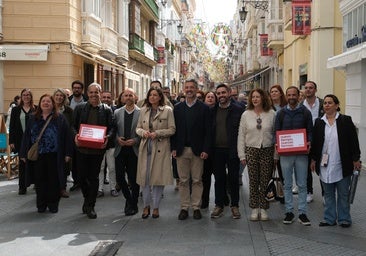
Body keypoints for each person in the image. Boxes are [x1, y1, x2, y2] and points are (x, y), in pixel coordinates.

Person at [310, 94, 361, 228]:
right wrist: (313, 160)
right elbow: (315, 143)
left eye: (330, 103)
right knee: (328, 194)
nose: (326, 105)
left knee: (343, 193)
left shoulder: (345, 120)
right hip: (325, 164)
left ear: (337, 105)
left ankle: (344, 219)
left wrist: (356, 159)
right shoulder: (319, 122)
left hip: (342, 163)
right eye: (325, 103)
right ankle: (329, 218)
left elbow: (353, 141)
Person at [19, 94, 73, 213]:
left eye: (48, 101)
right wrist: (23, 154)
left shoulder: (60, 118)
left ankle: (53, 204)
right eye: (43, 101)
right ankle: (41, 204)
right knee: (39, 181)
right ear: (40, 104)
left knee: (54, 181)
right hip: (38, 156)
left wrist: (68, 153)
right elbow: (26, 136)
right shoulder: (33, 118)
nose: (46, 103)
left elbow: (67, 137)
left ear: (53, 104)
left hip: (54, 155)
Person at [171, 78, 211, 220]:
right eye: (187, 87)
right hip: (181, 150)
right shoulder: (178, 108)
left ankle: (196, 207)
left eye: (192, 87)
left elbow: (208, 131)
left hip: (198, 151)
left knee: (197, 180)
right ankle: (184, 207)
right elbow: (174, 130)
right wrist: (174, 148)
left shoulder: (204, 108)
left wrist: (206, 149)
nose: (189, 90)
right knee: (182, 180)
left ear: (196, 89)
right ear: (183, 89)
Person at [73, 83, 114, 219]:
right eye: (91, 93)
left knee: (94, 177)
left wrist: (107, 137)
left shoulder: (107, 110)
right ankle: (87, 198)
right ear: (87, 93)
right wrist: (76, 136)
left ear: (100, 93)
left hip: (97, 150)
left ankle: (91, 205)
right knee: (81, 177)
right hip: (82, 148)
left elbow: (112, 128)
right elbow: (73, 127)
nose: (93, 95)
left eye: (96, 92)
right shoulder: (80, 108)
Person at [275, 86, 313, 226]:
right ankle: (289, 212)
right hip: (285, 154)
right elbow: (276, 131)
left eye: (294, 95)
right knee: (287, 184)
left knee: (302, 184)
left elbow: (310, 130)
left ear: (298, 96)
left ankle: (303, 213)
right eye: (289, 95)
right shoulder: (281, 114)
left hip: (302, 153)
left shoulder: (305, 112)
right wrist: (276, 143)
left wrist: (309, 141)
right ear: (286, 96)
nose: (291, 97)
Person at [136, 87, 175, 219]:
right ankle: (146, 205)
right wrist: (143, 133)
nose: (152, 97)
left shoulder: (168, 110)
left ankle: (156, 207)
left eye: (155, 95)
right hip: (146, 146)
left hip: (160, 147)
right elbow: (138, 128)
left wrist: (157, 133)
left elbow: (172, 129)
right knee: (144, 178)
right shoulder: (143, 110)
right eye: (150, 95)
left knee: (157, 179)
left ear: (160, 97)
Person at [238, 88, 277, 221]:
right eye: (253, 97)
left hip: (267, 149)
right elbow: (241, 135)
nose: (255, 99)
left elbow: (276, 135)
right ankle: (255, 208)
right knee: (253, 180)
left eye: (258, 97)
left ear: (263, 98)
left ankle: (264, 208)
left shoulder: (272, 114)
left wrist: (276, 155)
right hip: (251, 149)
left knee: (265, 180)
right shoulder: (246, 114)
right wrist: (241, 155)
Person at [210, 84, 243, 219]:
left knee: (234, 179)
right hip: (217, 150)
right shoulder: (212, 111)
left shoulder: (238, 110)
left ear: (229, 93)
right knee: (219, 179)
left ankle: (235, 206)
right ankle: (219, 205)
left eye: (223, 92)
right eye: (218, 93)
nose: (221, 95)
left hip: (233, 150)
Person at [114, 88, 141, 216]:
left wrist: (135, 140)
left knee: (134, 178)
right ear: (122, 98)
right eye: (126, 95)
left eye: (131, 95)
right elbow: (112, 130)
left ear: (135, 97)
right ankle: (129, 199)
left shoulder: (141, 113)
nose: (128, 97)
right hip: (120, 149)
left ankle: (133, 204)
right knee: (119, 177)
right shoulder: (117, 112)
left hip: (134, 150)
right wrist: (117, 139)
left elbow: (144, 130)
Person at [9, 89, 37, 195]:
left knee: (34, 161)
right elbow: (12, 126)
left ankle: (36, 183)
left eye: (28, 95)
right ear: (21, 96)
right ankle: (22, 186)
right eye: (24, 95)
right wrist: (11, 141)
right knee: (22, 163)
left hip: (33, 141)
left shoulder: (36, 108)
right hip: (20, 140)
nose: (26, 96)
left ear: (31, 96)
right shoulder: (16, 110)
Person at [302, 81, 324, 203]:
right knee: (306, 168)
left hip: (321, 140)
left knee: (322, 167)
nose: (308, 90)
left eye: (311, 88)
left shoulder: (322, 103)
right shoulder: (301, 105)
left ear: (315, 90)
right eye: (306, 88)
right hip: (306, 141)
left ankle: (325, 193)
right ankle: (309, 192)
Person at [97, 91, 118, 198]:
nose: (106, 99)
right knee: (100, 168)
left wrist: (108, 137)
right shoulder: (96, 109)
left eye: (108, 97)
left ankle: (113, 188)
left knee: (112, 167)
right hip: (98, 144)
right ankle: (99, 189)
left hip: (111, 144)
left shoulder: (115, 110)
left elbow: (114, 127)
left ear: (112, 98)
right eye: (104, 97)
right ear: (100, 97)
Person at [53, 88, 74, 199]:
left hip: (65, 141)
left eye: (61, 95)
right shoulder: (48, 109)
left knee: (64, 166)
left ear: (64, 97)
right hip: (51, 142)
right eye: (57, 95)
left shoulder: (69, 111)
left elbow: (72, 126)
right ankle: (52, 188)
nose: (59, 97)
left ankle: (63, 188)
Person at [68, 80, 88, 192]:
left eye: (79, 88)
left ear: (82, 89)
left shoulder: (86, 100)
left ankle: (84, 180)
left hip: (85, 133)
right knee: (74, 159)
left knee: (83, 158)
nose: (76, 89)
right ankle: (76, 182)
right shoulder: (68, 100)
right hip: (72, 132)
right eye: (74, 87)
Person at [201, 91, 218, 209]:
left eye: (212, 97)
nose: (210, 99)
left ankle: (221, 200)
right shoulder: (201, 111)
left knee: (219, 177)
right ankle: (204, 200)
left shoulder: (219, 111)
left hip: (217, 149)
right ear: (204, 99)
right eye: (208, 97)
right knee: (205, 178)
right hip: (205, 149)